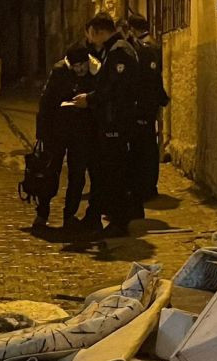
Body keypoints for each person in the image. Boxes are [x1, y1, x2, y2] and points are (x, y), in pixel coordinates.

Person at [72, 13, 142, 237]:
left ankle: (119, 221)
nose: (89, 40)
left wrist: (90, 99)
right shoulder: (114, 50)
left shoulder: (118, 51)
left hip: (116, 122)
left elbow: (115, 89)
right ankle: (105, 216)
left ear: (97, 31)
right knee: (108, 170)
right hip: (113, 120)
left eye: (90, 34)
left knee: (115, 171)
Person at [33, 44, 98, 229]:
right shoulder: (59, 71)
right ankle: (42, 213)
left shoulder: (95, 71)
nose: (80, 69)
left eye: (82, 65)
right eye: (76, 66)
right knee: (50, 171)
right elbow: (46, 101)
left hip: (82, 131)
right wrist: (42, 133)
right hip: (57, 131)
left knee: (77, 175)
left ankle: (69, 215)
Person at [126, 14, 170, 201]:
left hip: (142, 105)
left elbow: (144, 80)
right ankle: (149, 185)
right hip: (150, 104)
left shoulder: (142, 48)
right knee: (149, 145)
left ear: (132, 29)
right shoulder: (153, 45)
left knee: (143, 147)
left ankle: (145, 186)